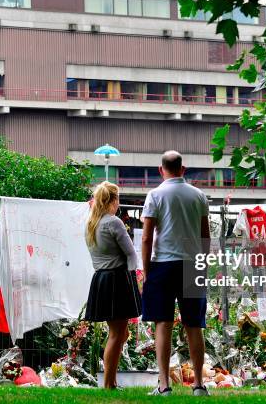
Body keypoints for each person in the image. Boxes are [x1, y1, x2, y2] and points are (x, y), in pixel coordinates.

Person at [141, 151, 210, 396]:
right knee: (194, 325)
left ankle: (164, 385)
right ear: (183, 169)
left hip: (163, 264)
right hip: (192, 264)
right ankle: (199, 384)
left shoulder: (155, 195)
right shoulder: (199, 195)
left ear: (161, 170)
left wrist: (147, 271)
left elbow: (147, 237)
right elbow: (205, 236)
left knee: (163, 324)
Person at [84, 181, 141, 389]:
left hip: (101, 279)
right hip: (117, 279)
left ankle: (112, 380)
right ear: (113, 200)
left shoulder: (92, 223)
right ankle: (109, 384)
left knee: (120, 334)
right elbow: (131, 254)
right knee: (117, 335)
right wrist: (137, 279)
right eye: (117, 199)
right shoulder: (113, 222)